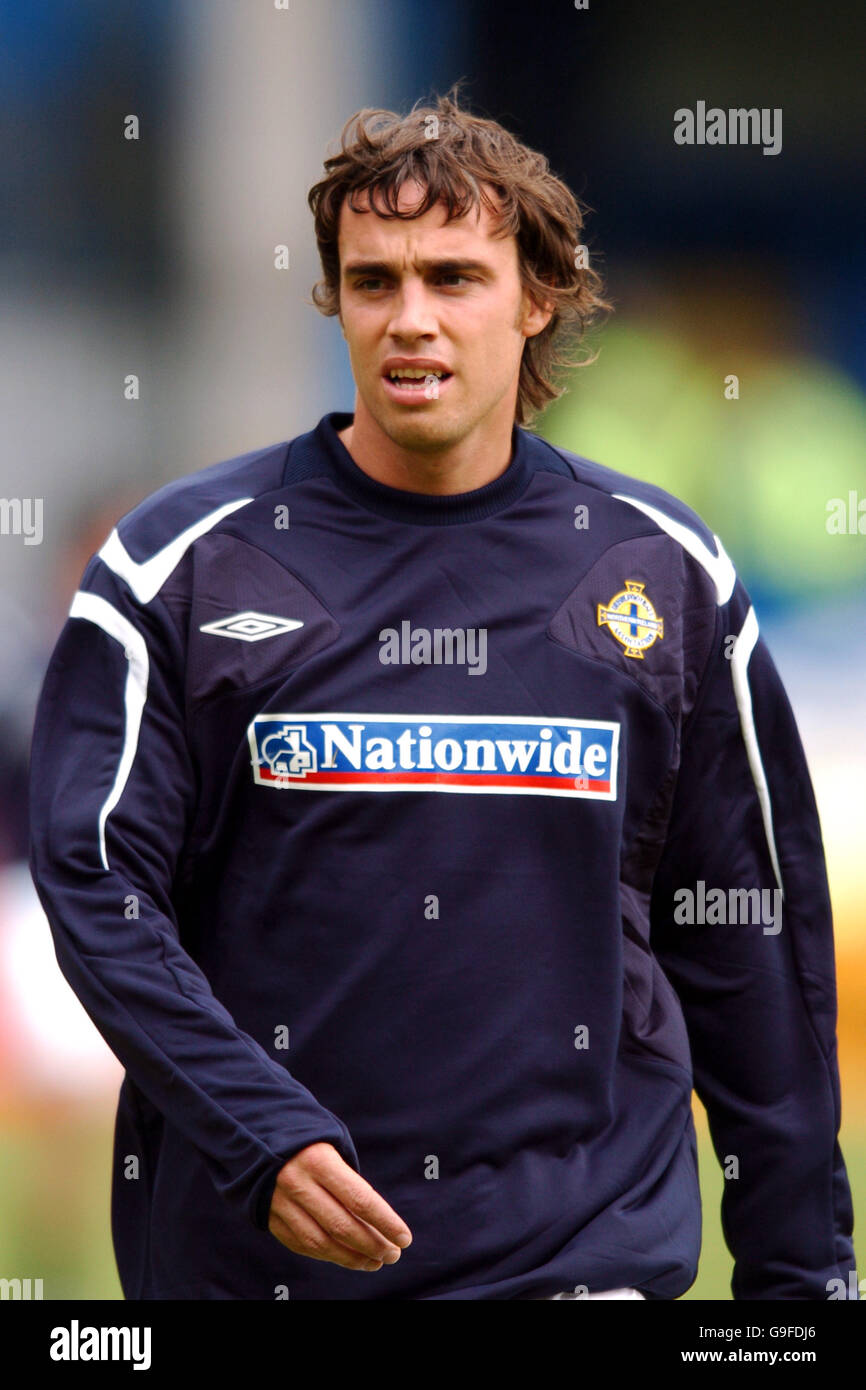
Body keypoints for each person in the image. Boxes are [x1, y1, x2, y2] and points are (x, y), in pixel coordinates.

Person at [28, 90, 857, 1301]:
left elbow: (744, 942)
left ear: (536, 298)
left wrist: (801, 1282)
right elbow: (97, 885)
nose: (409, 320)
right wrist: (257, 1124)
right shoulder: (182, 564)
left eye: (453, 278)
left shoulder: (661, 575)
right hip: (256, 1270)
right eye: (375, 282)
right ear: (338, 302)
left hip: (577, 1261)